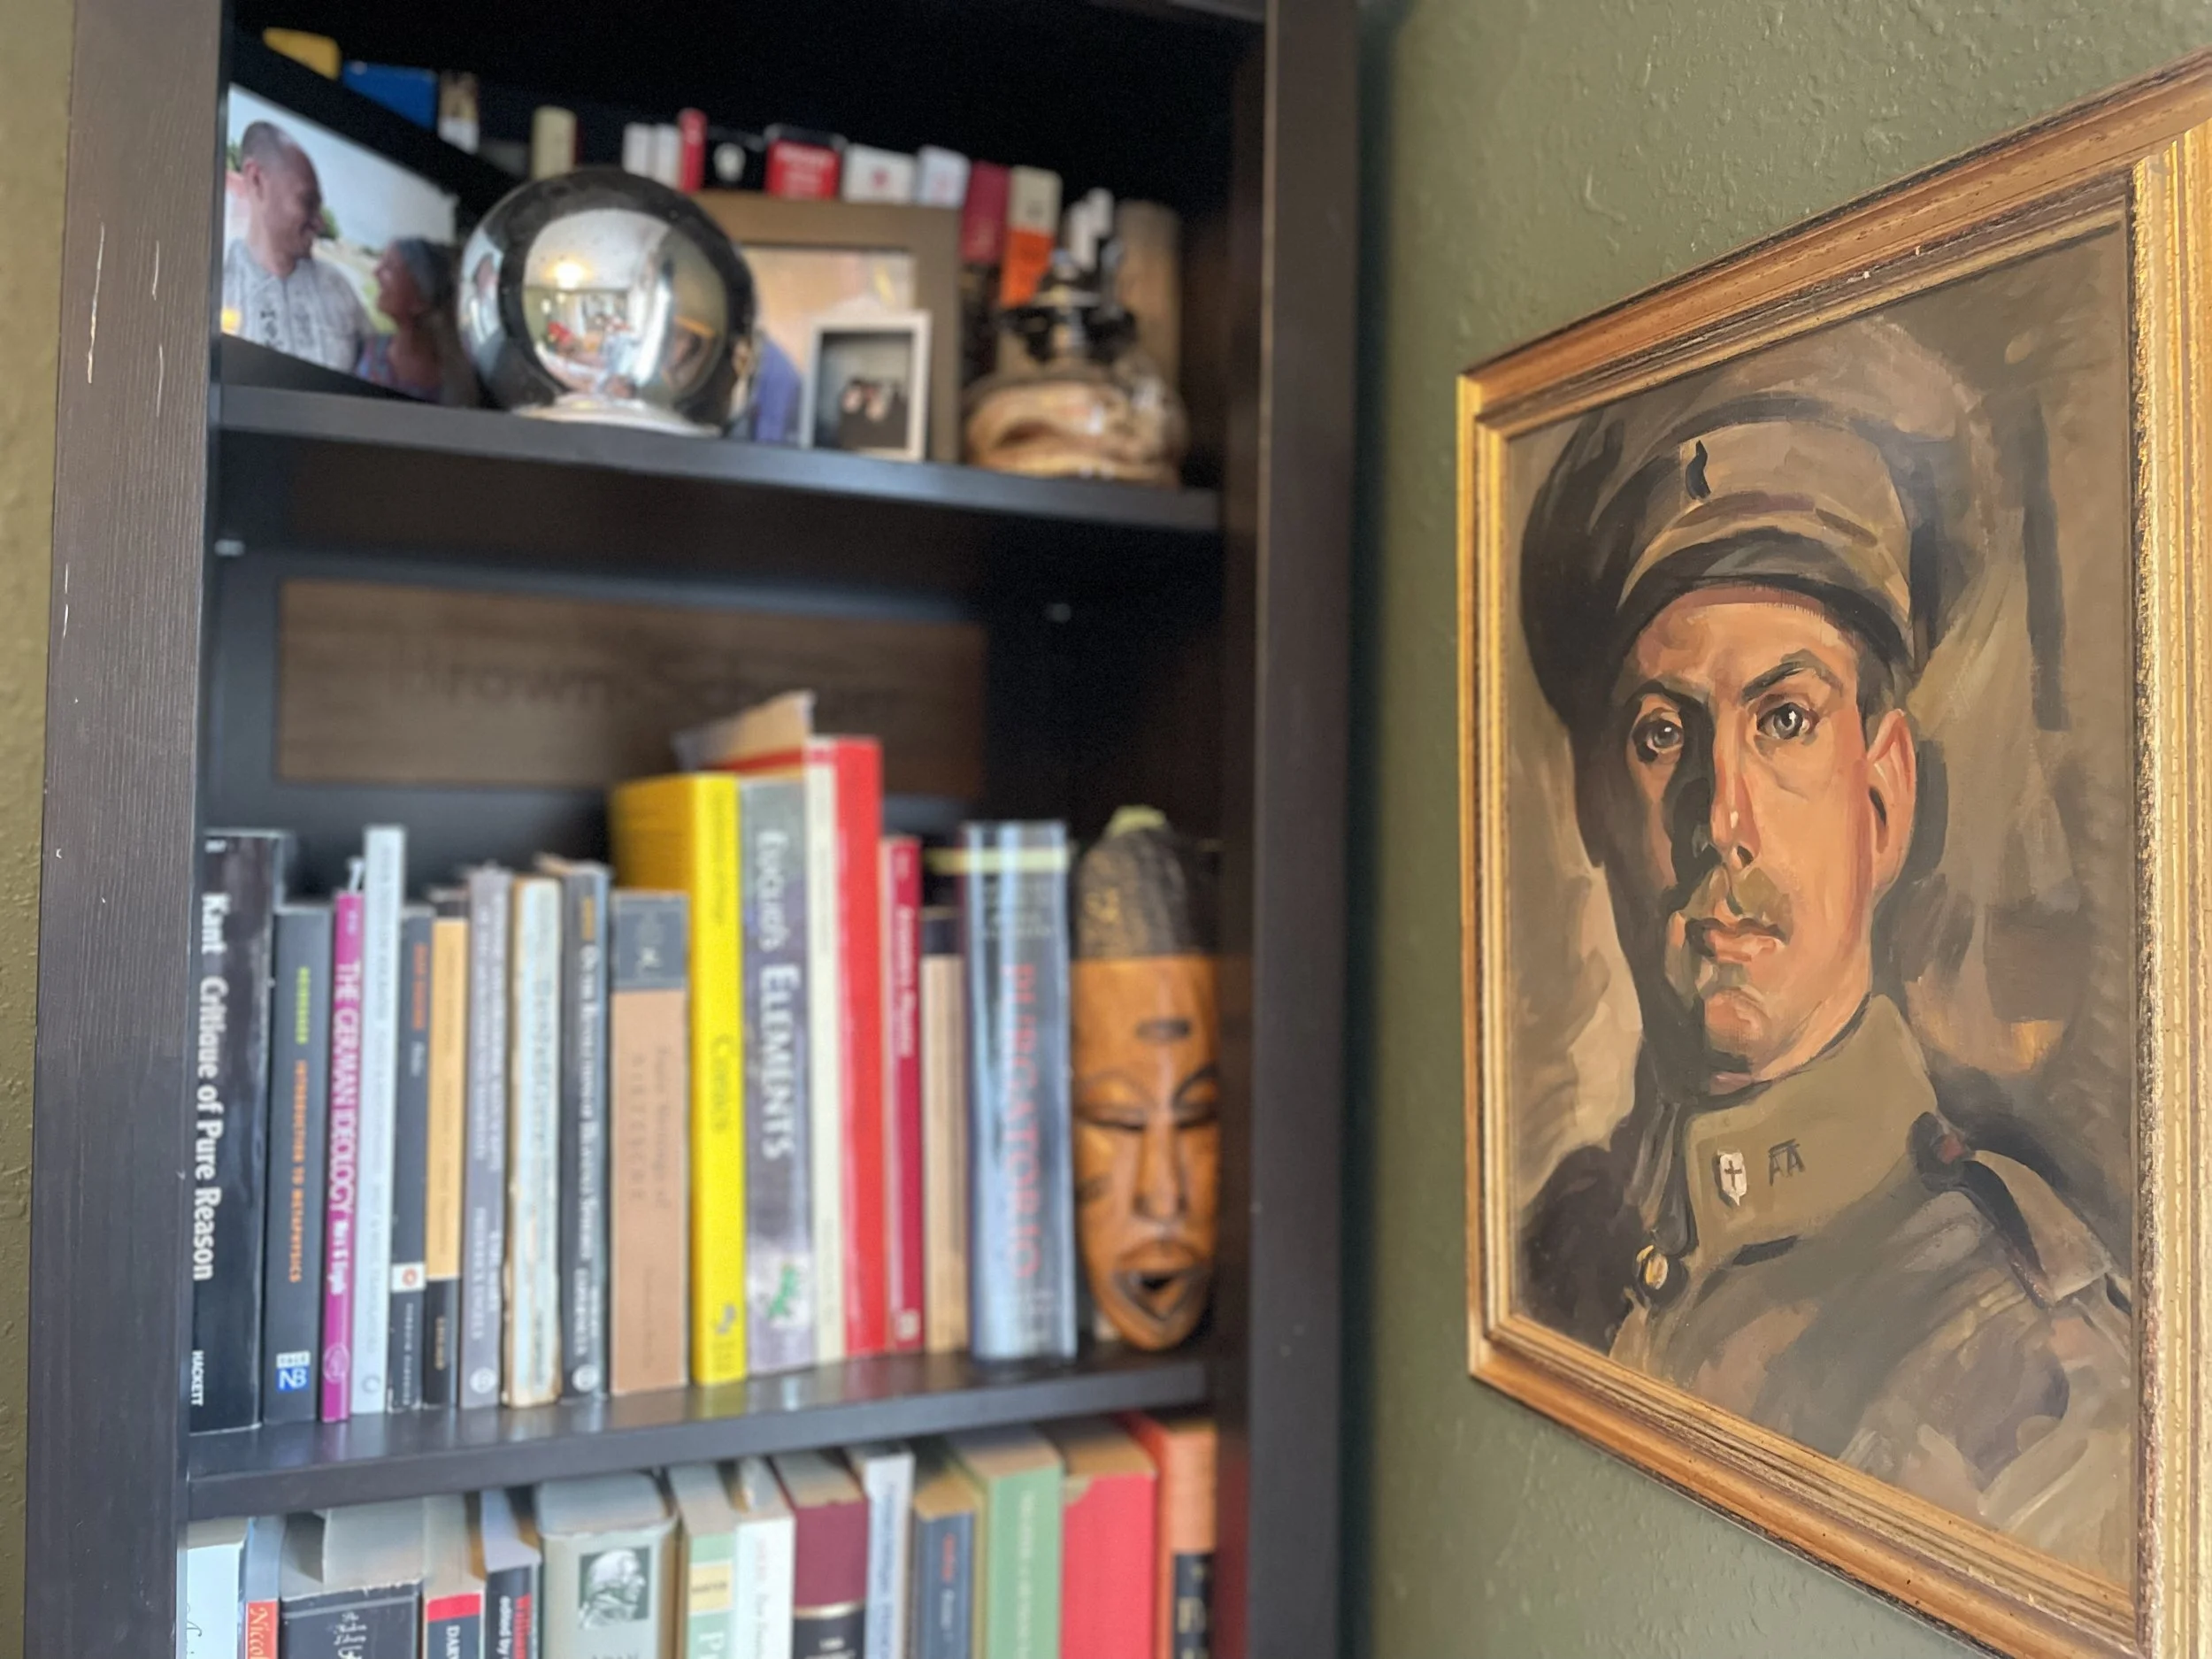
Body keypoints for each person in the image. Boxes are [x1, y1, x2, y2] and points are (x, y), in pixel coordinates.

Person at [1514, 317, 2133, 1579]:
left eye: (1784, 718)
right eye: (1661, 733)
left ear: (1884, 794)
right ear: (1594, 805)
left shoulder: (2032, 1366)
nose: (1719, 818)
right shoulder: (1562, 1244)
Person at [222, 120, 371, 373]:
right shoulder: (219, 284)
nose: (320, 222)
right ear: (256, 180)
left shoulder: (338, 289)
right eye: (307, 201)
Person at [357, 237, 474, 405]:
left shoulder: (459, 374)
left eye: (389, 268)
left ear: (420, 302)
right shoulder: (372, 349)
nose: (376, 273)